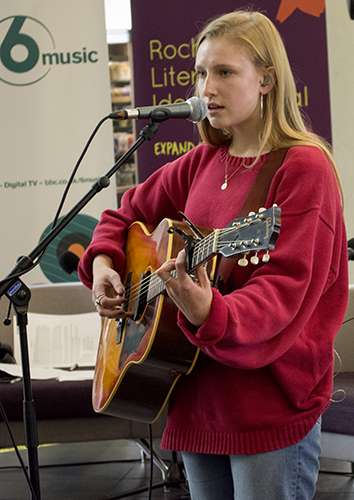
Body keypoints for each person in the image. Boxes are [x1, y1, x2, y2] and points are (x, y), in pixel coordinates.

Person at [78, 8, 349, 500]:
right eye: (201, 73)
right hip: (193, 398)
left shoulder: (302, 167)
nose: (207, 87)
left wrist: (210, 311)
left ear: (267, 80)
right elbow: (120, 218)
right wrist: (103, 267)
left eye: (225, 72)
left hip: (267, 410)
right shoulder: (202, 161)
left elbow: (284, 291)